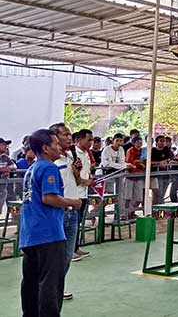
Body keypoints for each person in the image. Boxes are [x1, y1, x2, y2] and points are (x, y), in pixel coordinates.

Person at [20, 129, 83, 317]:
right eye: (55, 143)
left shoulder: (31, 169)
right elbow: (49, 198)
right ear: (46, 148)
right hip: (48, 234)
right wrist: (73, 202)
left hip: (30, 234)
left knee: (31, 282)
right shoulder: (49, 168)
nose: (59, 146)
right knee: (51, 283)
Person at [49, 123, 85, 301]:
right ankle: (48, 290)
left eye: (70, 134)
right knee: (54, 255)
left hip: (72, 213)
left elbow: (76, 182)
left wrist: (77, 172)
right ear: (54, 138)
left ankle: (57, 287)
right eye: (65, 134)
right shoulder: (51, 162)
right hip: (58, 213)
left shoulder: (70, 157)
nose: (69, 138)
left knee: (67, 256)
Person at [71, 129, 94, 259]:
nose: (91, 142)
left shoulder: (86, 154)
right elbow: (72, 175)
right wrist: (85, 181)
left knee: (78, 222)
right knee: (72, 223)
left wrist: (90, 179)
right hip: (74, 193)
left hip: (83, 193)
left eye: (92, 140)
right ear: (79, 140)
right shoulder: (73, 154)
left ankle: (75, 247)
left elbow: (86, 171)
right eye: (88, 140)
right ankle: (70, 250)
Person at [124, 137, 146, 218]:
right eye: (138, 142)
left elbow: (146, 161)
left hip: (139, 176)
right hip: (130, 176)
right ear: (134, 143)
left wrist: (140, 163)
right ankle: (125, 213)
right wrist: (139, 163)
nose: (140, 143)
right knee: (127, 197)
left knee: (139, 198)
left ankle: (131, 211)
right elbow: (129, 161)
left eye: (141, 141)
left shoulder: (143, 151)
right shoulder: (130, 150)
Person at [0, 137, 17, 215]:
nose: (6, 147)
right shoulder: (19, 157)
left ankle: (14, 219)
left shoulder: (5, 157)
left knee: (14, 206)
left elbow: (14, 166)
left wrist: (8, 168)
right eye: (3, 145)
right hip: (10, 186)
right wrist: (1, 170)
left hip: (7, 187)